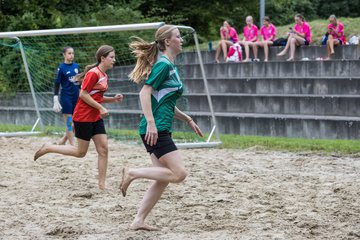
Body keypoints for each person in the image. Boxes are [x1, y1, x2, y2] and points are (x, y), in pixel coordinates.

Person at [120, 25, 204, 231]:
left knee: (162, 178)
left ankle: (138, 220)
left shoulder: (170, 66)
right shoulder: (163, 66)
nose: (181, 40)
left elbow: (165, 101)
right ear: (167, 41)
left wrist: (187, 119)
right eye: (178, 36)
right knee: (179, 174)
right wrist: (151, 122)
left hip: (159, 127)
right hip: (155, 128)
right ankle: (132, 172)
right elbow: (144, 92)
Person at [34, 45, 124, 190]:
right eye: (111, 57)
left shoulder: (104, 75)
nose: (114, 60)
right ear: (102, 58)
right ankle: (49, 147)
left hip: (95, 117)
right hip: (83, 116)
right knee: (80, 153)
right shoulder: (93, 73)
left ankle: (102, 184)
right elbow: (83, 94)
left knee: (104, 149)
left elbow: (96, 96)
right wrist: (100, 107)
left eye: (114, 57)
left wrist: (112, 99)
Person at [53, 46, 80, 146]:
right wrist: (55, 98)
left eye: (72, 53)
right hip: (66, 97)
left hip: (76, 97)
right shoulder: (61, 68)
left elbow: (79, 83)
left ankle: (63, 140)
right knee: (69, 122)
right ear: (64, 55)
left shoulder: (77, 66)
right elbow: (57, 83)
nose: (71, 55)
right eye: (69, 53)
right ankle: (73, 144)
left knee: (75, 122)